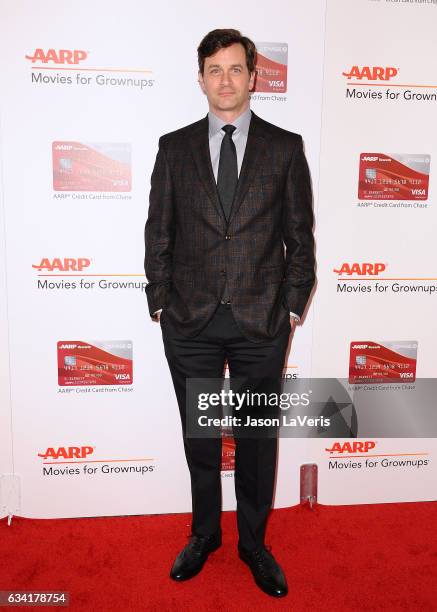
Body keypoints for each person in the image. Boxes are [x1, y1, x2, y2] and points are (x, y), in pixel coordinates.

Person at [144, 28, 315, 598]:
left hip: (259, 322)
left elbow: (299, 237)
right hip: (189, 320)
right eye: (214, 70)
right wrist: (160, 299)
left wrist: (292, 304)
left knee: (257, 441)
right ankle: (203, 535)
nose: (225, 80)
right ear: (200, 79)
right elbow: (158, 231)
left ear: (253, 76)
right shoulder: (173, 148)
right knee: (200, 439)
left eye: (236, 69)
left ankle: (253, 543)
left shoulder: (285, 148)